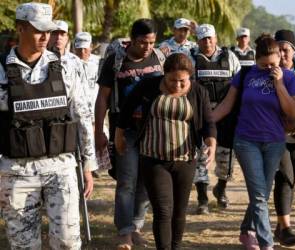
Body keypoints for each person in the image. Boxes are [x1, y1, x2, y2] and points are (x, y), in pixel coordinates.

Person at [0, 2, 97, 249]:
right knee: (23, 245)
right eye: (37, 30)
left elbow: (83, 115)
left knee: (67, 242)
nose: (45, 36)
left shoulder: (67, 66)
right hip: (16, 171)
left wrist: (88, 164)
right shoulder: (1, 70)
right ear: (20, 28)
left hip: (61, 167)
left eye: (49, 30)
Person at [115, 53, 216, 250]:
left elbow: (208, 122)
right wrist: (119, 135)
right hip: (153, 159)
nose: (177, 85)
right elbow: (126, 108)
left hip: (185, 160)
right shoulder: (149, 86)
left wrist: (211, 142)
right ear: (164, 74)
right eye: (172, 80)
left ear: (190, 78)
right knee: (163, 210)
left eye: (182, 81)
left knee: (179, 211)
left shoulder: (198, 91)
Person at [212, 34, 295, 250]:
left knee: (262, 191)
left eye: (274, 62)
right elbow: (226, 105)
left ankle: (245, 230)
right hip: (246, 141)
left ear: (280, 57)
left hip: (275, 142)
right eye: (265, 64)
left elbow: (293, 111)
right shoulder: (245, 75)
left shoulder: (288, 78)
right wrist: (204, 123)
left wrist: (278, 84)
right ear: (256, 58)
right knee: (260, 195)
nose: (270, 67)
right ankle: (266, 243)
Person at [95, 18, 165, 250]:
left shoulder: (160, 58)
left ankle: (136, 226)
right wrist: (99, 131)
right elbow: (103, 97)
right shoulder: (116, 61)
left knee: (146, 181)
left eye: (152, 42)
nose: (147, 47)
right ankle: (124, 232)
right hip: (124, 131)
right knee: (127, 181)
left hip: (153, 130)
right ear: (132, 39)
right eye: (143, 42)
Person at [193, 23, 240, 214]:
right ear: (198, 40)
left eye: (210, 37)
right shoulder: (191, 57)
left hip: (227, 114)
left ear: (216, 38)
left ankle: (221, 188)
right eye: (203, 38)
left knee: (226, 156)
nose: (207, 41)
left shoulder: (230, 57)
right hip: (201, 115)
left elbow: (238, 84)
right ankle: (202, 198)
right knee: (200, 156)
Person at [273, 29, 295, 246]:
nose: (282, 54)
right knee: (285, 178)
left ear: (294, 51)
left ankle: (280, 227)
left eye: (286, 49)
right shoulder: (268, 74)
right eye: (278, 49)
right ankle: (285, 229)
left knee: (291, 181)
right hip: (276, 135)